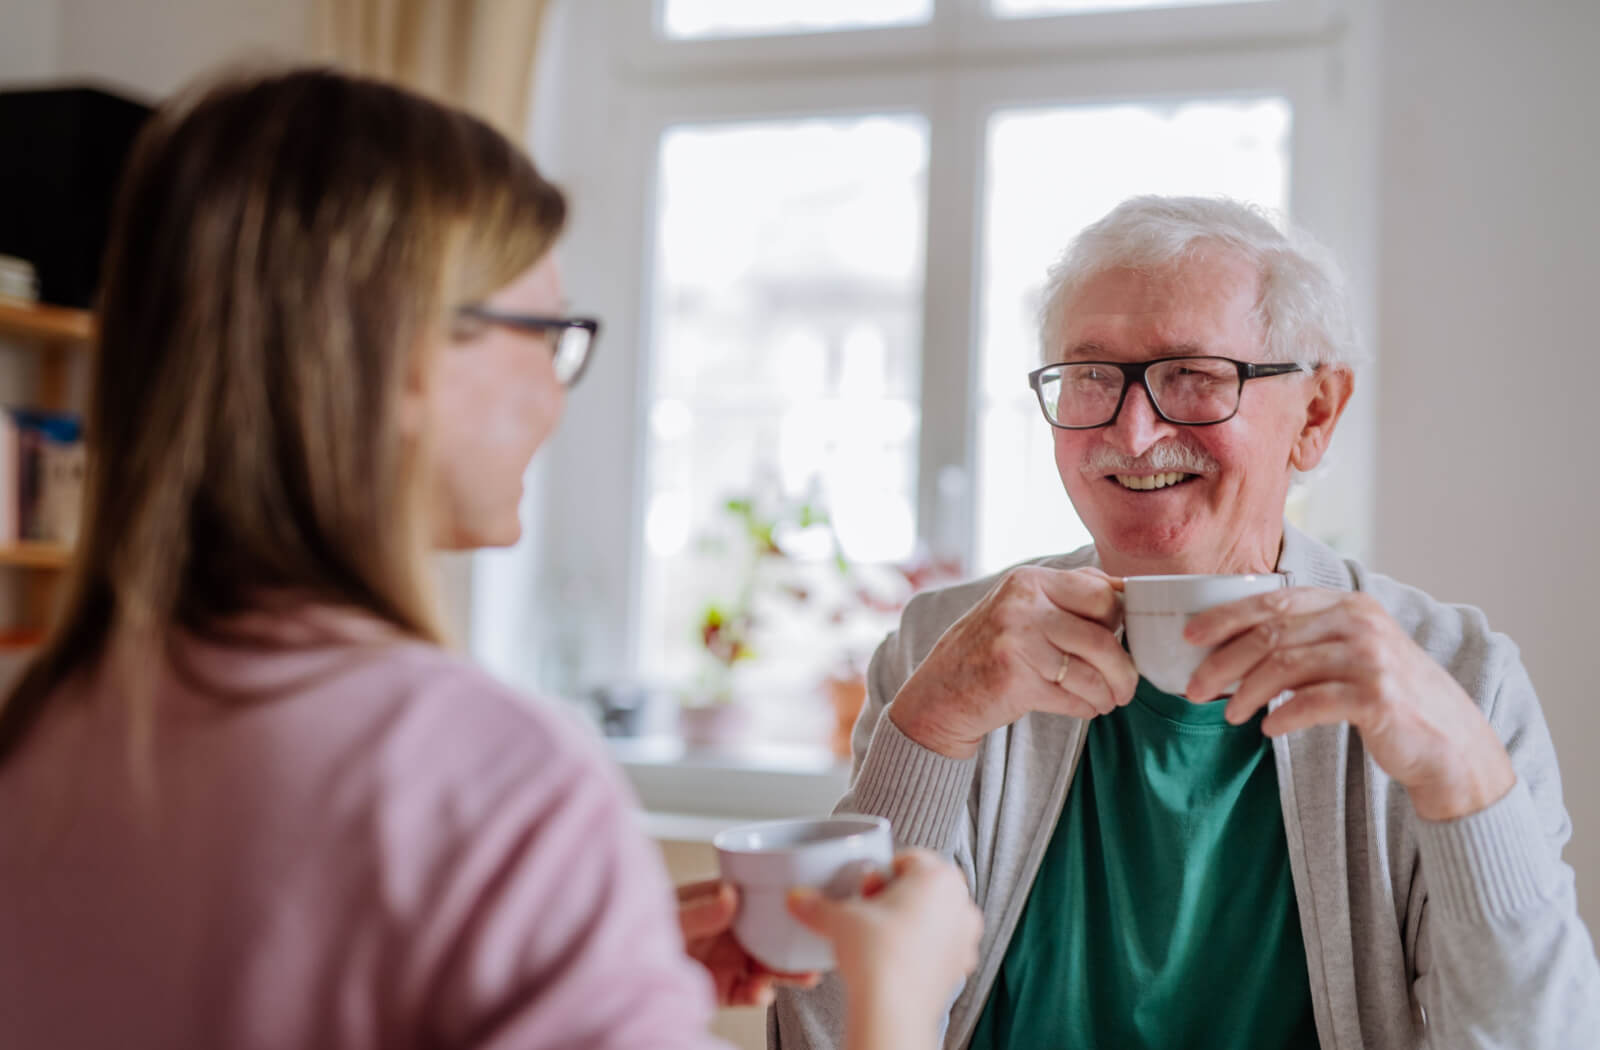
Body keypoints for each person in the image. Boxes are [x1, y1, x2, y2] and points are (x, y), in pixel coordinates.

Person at [0, 68, 980, 1049]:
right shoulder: (484, 779)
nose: (557, 394)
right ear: (398, 359)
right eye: (544, 334)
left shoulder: (45, 733)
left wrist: (589, 969)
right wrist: (892, 995)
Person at [773, 196, 1600, 1049]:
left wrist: (1463, 777)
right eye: (1092, 377)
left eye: (1195, 376)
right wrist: (929, 728)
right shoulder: (943, 650)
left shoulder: (1456, 677)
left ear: (1314, 416)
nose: (1132, 433)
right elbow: (820, 1039)